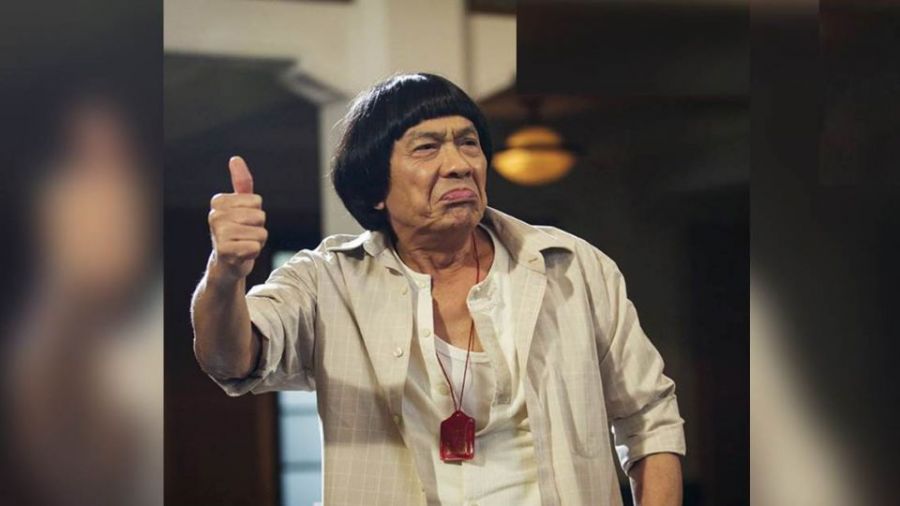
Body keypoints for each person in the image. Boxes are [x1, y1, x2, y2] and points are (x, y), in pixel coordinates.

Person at [191, 73, 685, 506]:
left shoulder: (572, 268)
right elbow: (230, 358)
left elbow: (650, 418)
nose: (459, 164)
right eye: (427, 148)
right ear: (374, 189)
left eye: (468, 143)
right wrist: (226, 272)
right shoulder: (327, 280)